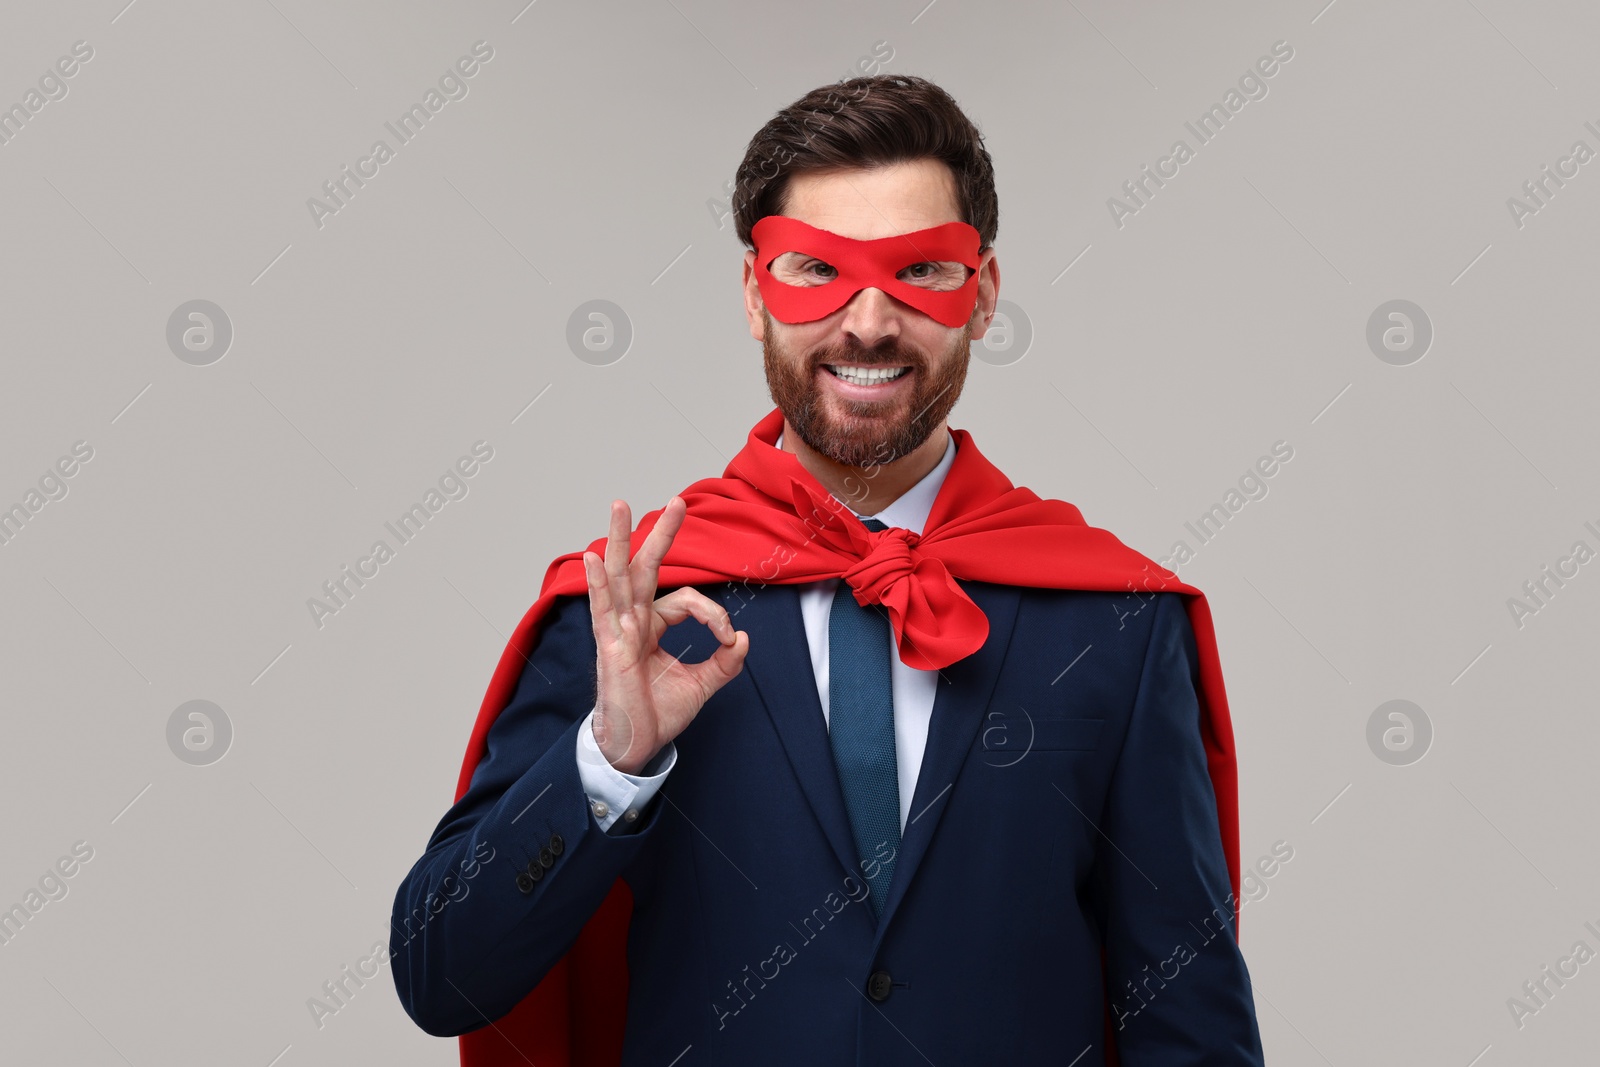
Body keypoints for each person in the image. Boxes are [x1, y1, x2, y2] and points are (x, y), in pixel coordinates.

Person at [391, 74, 1266, 1066]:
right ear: (756, 295)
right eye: (817, 270)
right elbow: (441, 975)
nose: (866, 322)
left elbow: (1186, 1021)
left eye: (918, 273)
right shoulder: (632, 608)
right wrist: (607, 760)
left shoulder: (1112, 619)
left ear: (980, 296)